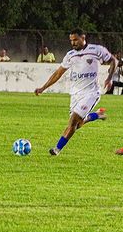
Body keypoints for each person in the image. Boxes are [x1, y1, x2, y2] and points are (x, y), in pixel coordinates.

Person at [35, 28, 117, 156]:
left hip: (91, 93)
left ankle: (56, 149)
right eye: (71, 40)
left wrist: (109, 77)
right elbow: (58, 73)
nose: (73, 43)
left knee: (73, 121)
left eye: (75, 40)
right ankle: (96, 115)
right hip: (75, 94)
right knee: (77, 125)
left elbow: (113, 60)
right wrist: (43, 88)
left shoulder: (96, 50)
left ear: (83, 38)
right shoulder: (70, 55)